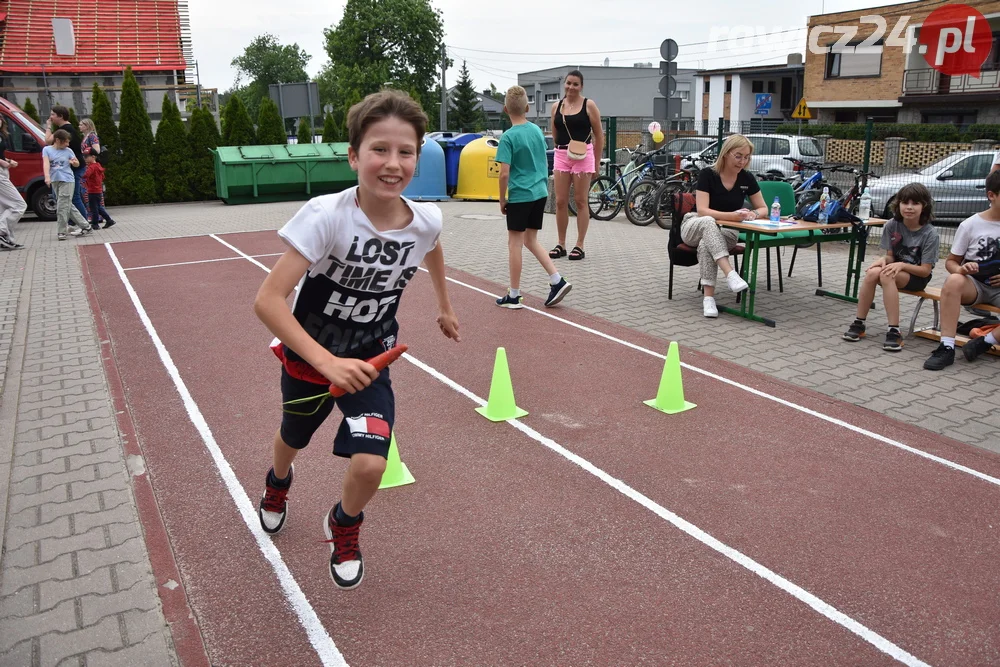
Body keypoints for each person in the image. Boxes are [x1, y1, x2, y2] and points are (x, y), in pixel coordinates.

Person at [253, 90, 460, 590]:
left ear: (419, 157)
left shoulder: (427, 218)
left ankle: (344, 523)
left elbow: (430, 247)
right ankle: (278, 483)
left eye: (405, 152)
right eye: (379, 149)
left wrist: (444, 305)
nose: (393, 163)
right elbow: (268, 300)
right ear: (353, 156)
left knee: (371, 463)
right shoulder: (326, 216)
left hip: (370, 360)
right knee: (294, 436)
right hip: (310, 361)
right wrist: (327, 363)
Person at [495, 86, 572, 309]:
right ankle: (557, 280)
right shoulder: (537, 131)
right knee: (530, 240)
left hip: (520, 195)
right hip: (539, 193)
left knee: (515, 244)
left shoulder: (508, 137)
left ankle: (515, 295)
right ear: (528, 108)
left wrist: (502, 199)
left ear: (505, 109)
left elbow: (504, 173)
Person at [842, 183, 938, 351]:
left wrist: (901, 265)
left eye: (915, 203)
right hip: (894, 269)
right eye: (905, 203)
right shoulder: (891, 225)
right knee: (872, 273)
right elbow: (890, 256)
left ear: (924, 206)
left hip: (917, 276)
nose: (909, 207)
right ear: (898, 204)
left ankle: (894, 330)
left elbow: (925, 270)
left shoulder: (930, 234)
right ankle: (859, 323)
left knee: (887, 275)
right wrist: (883, 260)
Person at [923, 170, 1000, 370]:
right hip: (975, 285)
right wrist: (962, 269)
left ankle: (985, 341)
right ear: (991, 195)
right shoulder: (971, 225)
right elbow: (951, 262)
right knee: (954, 281)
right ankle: (946, 347)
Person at [679, 134, 761, 318]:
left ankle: (708, 299)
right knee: (708, 222)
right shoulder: (708, 174)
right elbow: (702, 210)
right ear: (726, 153)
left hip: (728, 230)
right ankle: (730, 273)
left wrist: (753, 214)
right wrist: (732, 216)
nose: (742, 161)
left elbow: (763, 208)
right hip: (695, 225)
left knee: (706, 245)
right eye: (738, 156)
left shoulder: (747, 178)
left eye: (746, 157)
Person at [548, 70, 603, 262]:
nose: (571, 87)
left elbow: (599, 135)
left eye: (575, 84)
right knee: (561, 201)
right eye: (568, 83)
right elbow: (554, 133)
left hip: (583, 155)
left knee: (580, 200)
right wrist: (561, 149)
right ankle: (561, 243)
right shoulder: (556, 106)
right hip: (562, 154)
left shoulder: (589, 105)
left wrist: (596, 162)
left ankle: (579, 245)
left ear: (581, 86)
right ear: (564, 84)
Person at [43, 129, 92, 240]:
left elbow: (77, 163)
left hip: (67, 180)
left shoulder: (68, 151)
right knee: (67, 205)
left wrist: (74, 163)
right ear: (57, 140)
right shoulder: (47, 150)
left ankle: (61, 231)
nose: (67, 144)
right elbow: (46, 163)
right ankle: (86, 226)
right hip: (55, 180)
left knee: (62, 206)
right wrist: (47, 176)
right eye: (65, 142)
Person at [45, 106, 88, 221]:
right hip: (73, 166)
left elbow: (48, 140)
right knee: (69, 197)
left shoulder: (65, 129)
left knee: (73, 197)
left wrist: (48, 126)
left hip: (75, 167)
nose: (51, 117)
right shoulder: (66, 128)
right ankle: (76, 222)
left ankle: (83, 223)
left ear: (61, 116)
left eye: (53, 114)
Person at [0, 116, 26, 250]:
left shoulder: (1, 135)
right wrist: (6, 163)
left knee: (4, 208)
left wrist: (8, 161)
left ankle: (6, 240)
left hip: (3, 171)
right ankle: (1, 231)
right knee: (19, 205)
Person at [83, 152, 116, 229]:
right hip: (98, 189)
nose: (85, 158)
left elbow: (86, 175)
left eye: (87, 156)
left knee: (93, 208)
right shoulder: (98, 165)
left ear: (93, 157)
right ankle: (109, 220)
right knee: (98, 207)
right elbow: (102, 176)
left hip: (92, 190)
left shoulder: (91, 167)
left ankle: (95, 224)